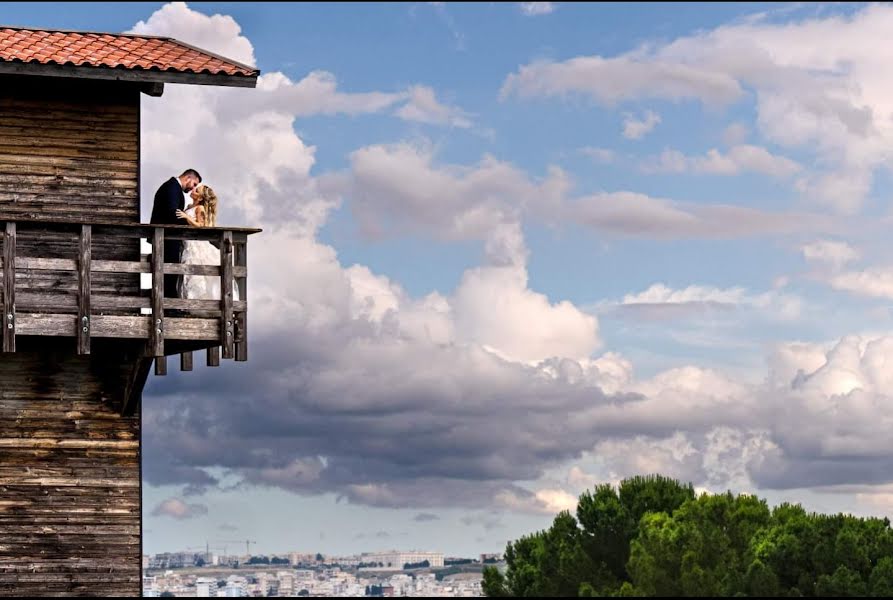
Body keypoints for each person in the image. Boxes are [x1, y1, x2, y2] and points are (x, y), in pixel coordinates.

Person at [175, 184, 240, 301]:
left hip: (196, 244)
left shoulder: (200, 208)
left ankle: (203, 299)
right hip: (186, 242)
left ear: (200, 198)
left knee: (198, 272)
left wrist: (187, 217)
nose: (193, 190)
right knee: (189, 273)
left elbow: (201, 226)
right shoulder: (189, 206)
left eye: (197, 190)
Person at [150, 169, 202, 298]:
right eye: (194, 184)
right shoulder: (172, 187)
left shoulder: (172, 187)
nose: (192, 189)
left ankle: (169, 305)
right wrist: (188, 225)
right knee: (168, 274)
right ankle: (169, 308)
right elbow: (172, 213)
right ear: (188, 177)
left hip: (167, 238)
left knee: (170, 274)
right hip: (167, 239)